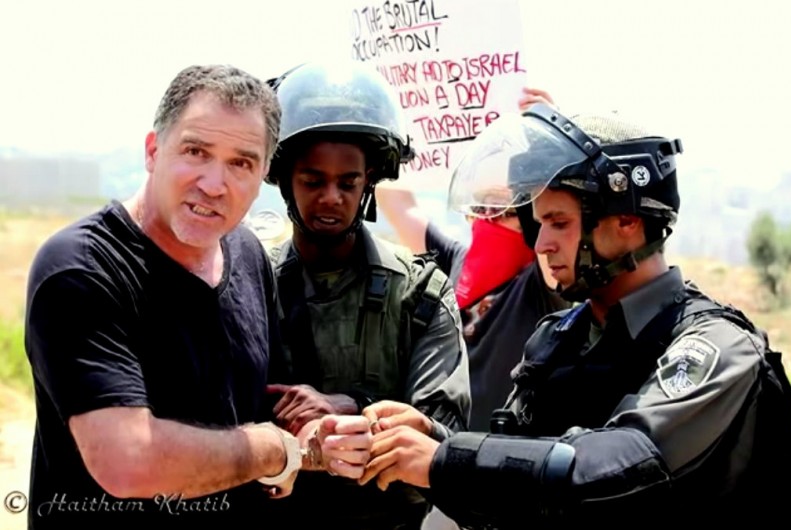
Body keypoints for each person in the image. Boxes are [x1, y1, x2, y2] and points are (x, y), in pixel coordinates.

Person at [358, 103, 791, 526]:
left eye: (560, 223)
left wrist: (442, 460)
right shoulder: (559, 339)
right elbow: (517, 472)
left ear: (627, 219)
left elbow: (619, 468)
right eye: (540, 224)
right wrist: (432, 441)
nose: (542, 244)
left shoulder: (716, 348)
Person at [24, 64, 372, 529]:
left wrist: (314, 434)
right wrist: (274, 451)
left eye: (241, 163)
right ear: (153, 151)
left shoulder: (247, 254)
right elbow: (129, 462)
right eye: (196, 151)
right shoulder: (82, 269)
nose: (213, 183)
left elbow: (254, 402)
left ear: (264, 173)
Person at [249, 60, 471, 529]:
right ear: (285, 179)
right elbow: (219, 416)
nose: (331, 197)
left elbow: (441, 435)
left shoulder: (421, 293)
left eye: (348, 183)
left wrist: (349, 406)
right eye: (313, 181)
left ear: (368, 181)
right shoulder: (250, 283)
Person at [374, 88, 571, 433]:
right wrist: (384, 135)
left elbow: (559, 207)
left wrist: (551, 134)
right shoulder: (455, 260)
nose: (487, 220)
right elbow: (399, 206)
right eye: (480, 208)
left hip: (506, 460)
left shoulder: (543, 282)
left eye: (503, 210)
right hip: (445, 454)